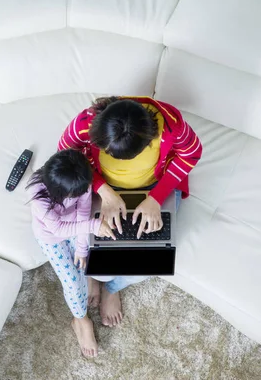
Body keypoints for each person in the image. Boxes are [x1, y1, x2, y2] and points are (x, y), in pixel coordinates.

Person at [58, 96, 202, 327]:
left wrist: (156, 198)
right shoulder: (85, 122)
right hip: (102, 188)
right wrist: (103, 190)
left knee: (150, 262)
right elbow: (66, 153)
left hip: (155, 189)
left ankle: (112, 288)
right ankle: (97, 278)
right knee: (94, 249)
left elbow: (192, 153)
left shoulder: (171, 123)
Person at [27, 149, 116, 358]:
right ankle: (80, 319)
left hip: (77, 225)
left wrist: (83, 248)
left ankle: (90, 280)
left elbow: (83, 213)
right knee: (72, 282)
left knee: (89, 256)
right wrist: (94, 226)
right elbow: (58, 229)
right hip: (52, 237)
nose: (85, 192)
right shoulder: (37, 194)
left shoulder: (81, 178)